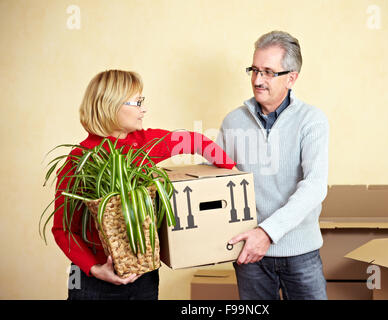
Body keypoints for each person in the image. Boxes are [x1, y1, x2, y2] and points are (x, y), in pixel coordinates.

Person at [52, 69, 235, 300]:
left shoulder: (145, 143)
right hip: (93, 283)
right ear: (112, 105)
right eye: (138, 102)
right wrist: (96, 269)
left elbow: (195, 141)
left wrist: (233, 173)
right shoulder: (79, 160)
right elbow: (63, 229)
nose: (144, 109)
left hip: (144, 279)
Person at [217, 31, 329, 300]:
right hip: (250, 254)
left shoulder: (312, 120)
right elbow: (214, 178)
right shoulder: (233, 121)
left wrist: (267, 232)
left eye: (268, 72)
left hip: (301, 253)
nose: (257, 80)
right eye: (254, 70)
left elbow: (314, 186)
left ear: (291, 78)